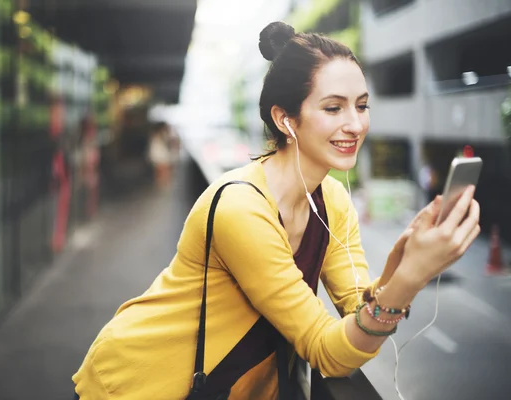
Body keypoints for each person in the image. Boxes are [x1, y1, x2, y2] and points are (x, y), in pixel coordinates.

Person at [72, 22, 480, 399]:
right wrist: (410, 278)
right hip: (134, 386)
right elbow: (327, 350)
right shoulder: (241, 208)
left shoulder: (332, 201)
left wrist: (401, 261)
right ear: (286, 119)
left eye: (362, 105)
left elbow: (360, 315)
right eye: (334, 108)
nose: (355, 124)